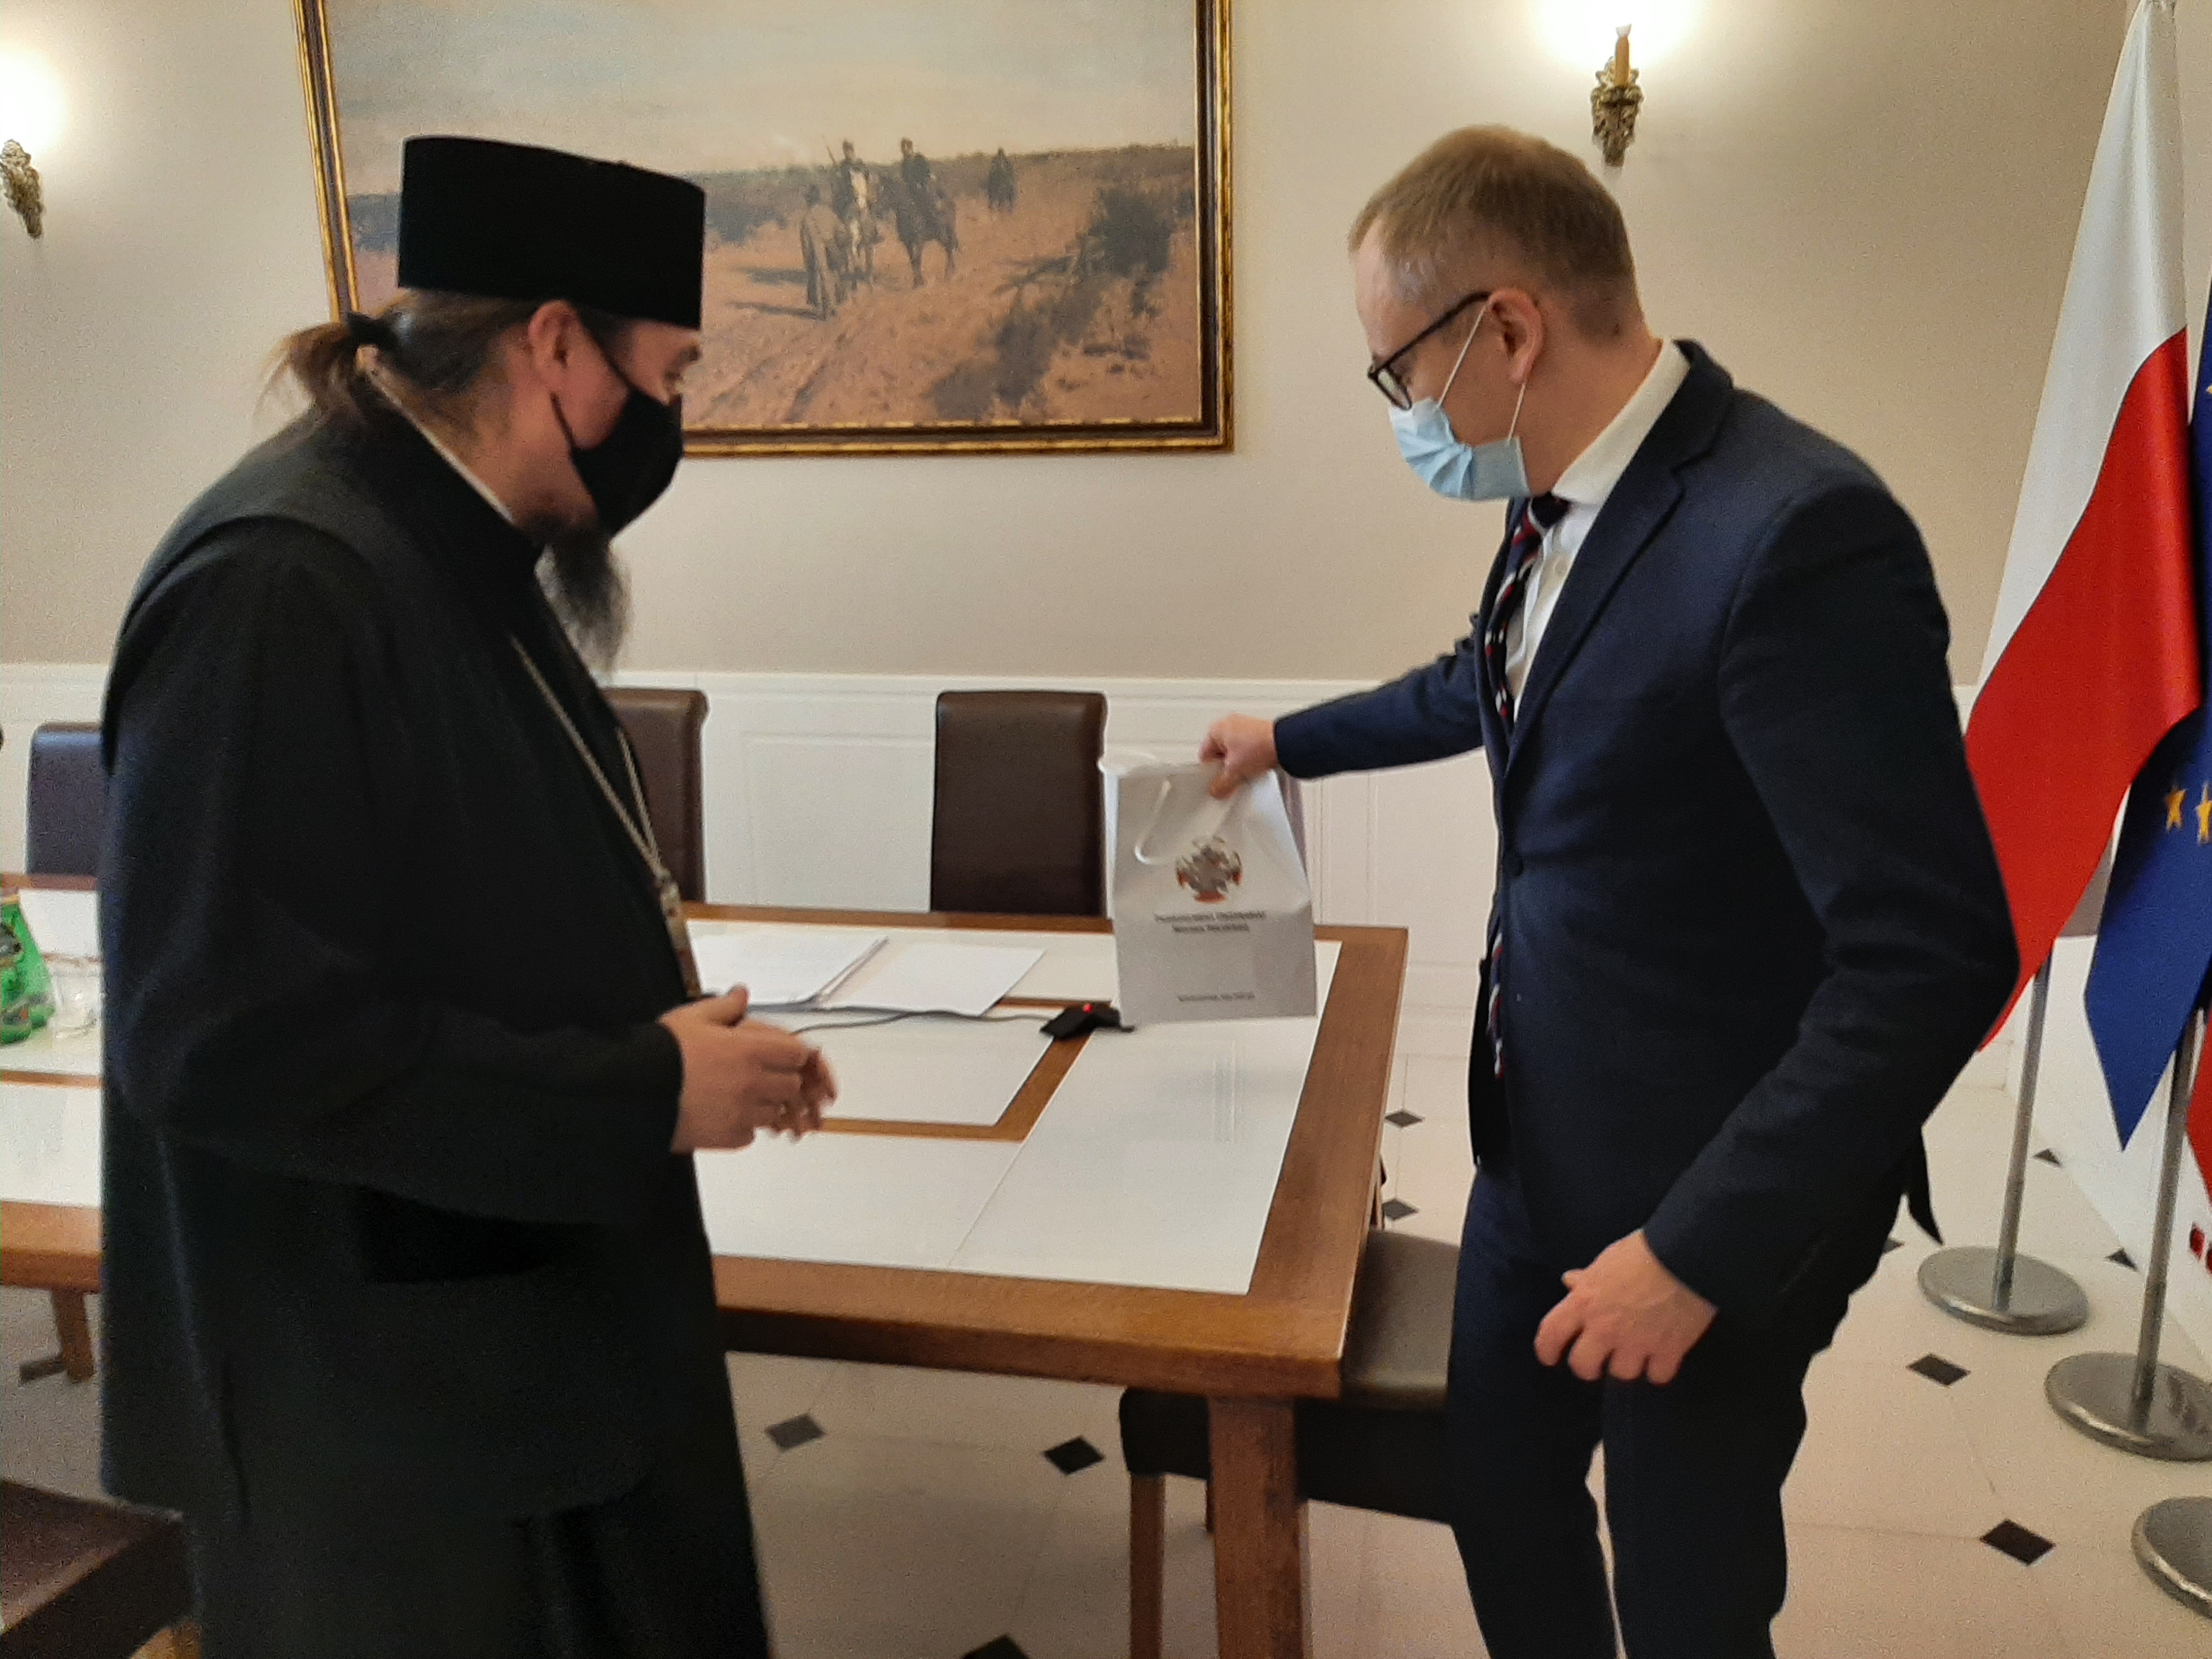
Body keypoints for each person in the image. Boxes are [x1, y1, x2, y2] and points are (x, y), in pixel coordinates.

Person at [1203, 126, 2016, 1659]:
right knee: (1498, 1490)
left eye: (1399, 374)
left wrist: (1693, 1252)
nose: (1406, 416)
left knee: (1687, 1590)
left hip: (1709, 1194)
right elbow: (1489, 680)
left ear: (1508, 330)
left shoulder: (1791, 533)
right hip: (1540, 1146)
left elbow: (1933, 957)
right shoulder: (1557, 499)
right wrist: (1286, 739)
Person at [98, 135, 835, 1657]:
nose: (670, 423)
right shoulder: (280, 586)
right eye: (668, 375)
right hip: (398, 1425)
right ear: (554, 343)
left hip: (517, 1348)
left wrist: (658, 1043)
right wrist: (640, 1090)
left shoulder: (444, 541)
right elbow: (225, 1039)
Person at [797, 181, 842, 318]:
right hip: (832, 247)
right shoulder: (829, 212)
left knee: (819, 278)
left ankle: (823, 308)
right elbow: (841, 230)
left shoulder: (808, 216)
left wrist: (808, 257)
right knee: (833, 275)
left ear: (809, 199)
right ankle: (833, 305)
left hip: (817, 251)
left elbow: (806, 240)